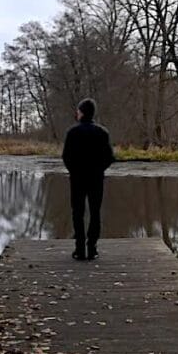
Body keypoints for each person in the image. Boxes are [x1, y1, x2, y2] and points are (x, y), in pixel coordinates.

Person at [61, 98, 114, 260]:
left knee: (77, 213)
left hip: (77, 178)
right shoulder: (102, 132)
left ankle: (79, 249)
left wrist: (73, 170)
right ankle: (92, 249)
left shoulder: (72, 132)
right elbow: (109, 157)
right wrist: (99, 170)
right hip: (96, 178)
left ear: (82, 112)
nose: (76, 114)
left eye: (78, 111)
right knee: (95, 213)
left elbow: (66, 157)